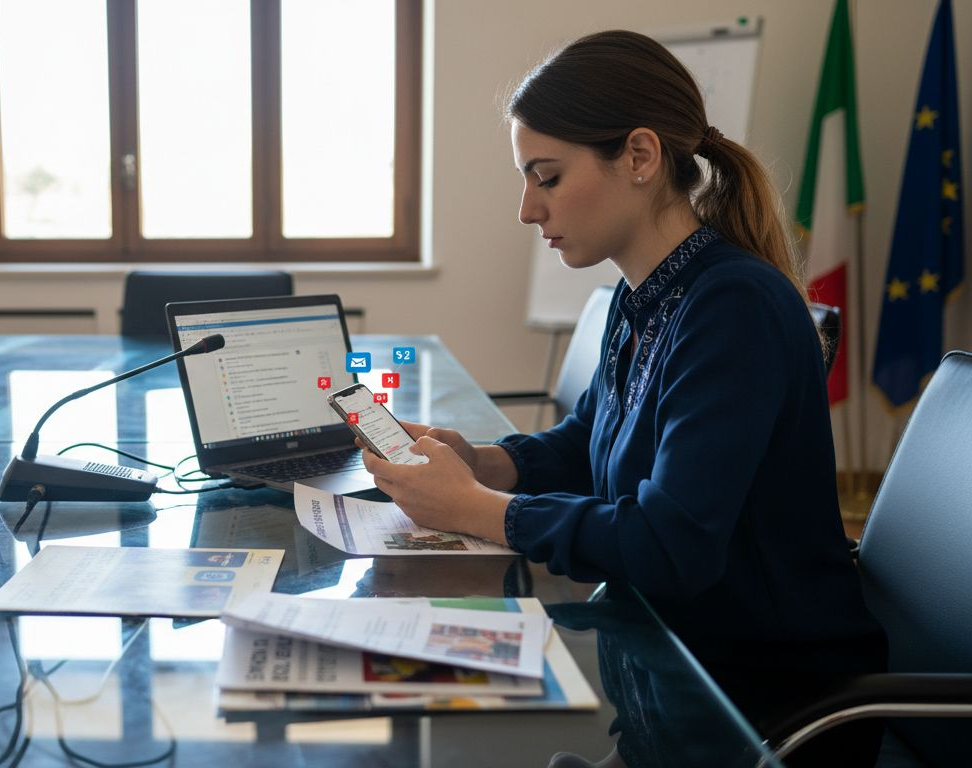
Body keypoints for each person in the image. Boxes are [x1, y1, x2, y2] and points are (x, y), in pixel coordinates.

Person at [359, 30, 887, 766]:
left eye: (545, 176)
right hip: (660, 686)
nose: (527, 209)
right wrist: (485, 463)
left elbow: (673, 546)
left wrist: (476, 510)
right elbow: (591, 440)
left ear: (639, 157)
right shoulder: (639, 295)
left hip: (762, 708)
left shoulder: (733, 306)